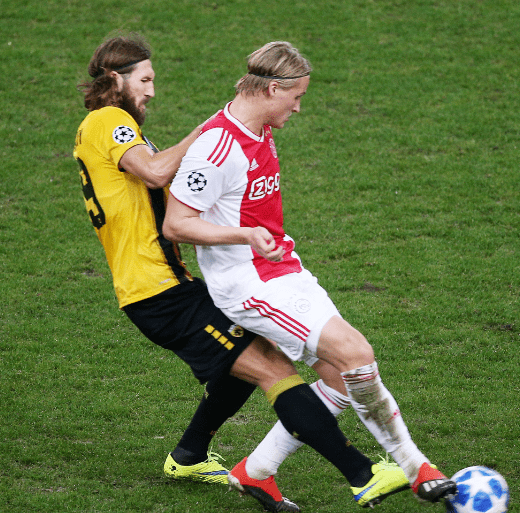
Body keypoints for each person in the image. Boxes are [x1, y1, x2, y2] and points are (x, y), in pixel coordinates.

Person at [73, 34, 409, 513]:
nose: (151, 91)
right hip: (158, 293)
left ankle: (189, 456)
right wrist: (213, 130)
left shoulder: (111, 127)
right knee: (274, 370)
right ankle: (362, 474)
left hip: (169, 283)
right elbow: (154, 172)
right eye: (144, 80)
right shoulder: (107, 120)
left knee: (252, 354)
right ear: (114, 78)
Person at [164, 40, 458, 506]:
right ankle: (414, 466)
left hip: (284, 271)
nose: (299, 107)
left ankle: (256, 471)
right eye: (296, 96)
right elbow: (176, 224)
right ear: (271, 89)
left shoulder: (258, 128)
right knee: (356, 353)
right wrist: (245, 235)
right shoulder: (217, 148)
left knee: (342, 377)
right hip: (250, 285)